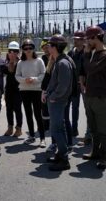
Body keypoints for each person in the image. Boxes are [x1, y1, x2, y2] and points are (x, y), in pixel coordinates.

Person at [81, 26, 106, 170]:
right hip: (89, 96)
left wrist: (87, 54)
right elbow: (86, 70)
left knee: (103, 129)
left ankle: (104, 157)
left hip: (100, 97)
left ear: (96, 38)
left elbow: (91, 69)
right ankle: (95, 152)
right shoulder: (94, 54)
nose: (87, 42)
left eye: (89, 38)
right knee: (93, 127)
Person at [44, 35, 74, 171]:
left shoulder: (62, 63)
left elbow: (63, 86)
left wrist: (53, 97)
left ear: (55, 47)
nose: (47, 47)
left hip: (57, 101)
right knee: (58, 128)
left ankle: (64, 159)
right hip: (56, 100)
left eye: (49, 45)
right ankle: (61, 154)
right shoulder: (59, 60)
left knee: (56, 130)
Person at [15, 39, 46, 148]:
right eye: (25, 48)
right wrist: (24, 80)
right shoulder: (20, 62)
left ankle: (42, 138)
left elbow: (43, 74)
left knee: (38, 114)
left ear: (33, 49)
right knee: (28, 113)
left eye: (30, 48)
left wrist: (35, 79)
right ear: (22, 50)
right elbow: (17, 76)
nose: (28, 50)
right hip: (24, 90)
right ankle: (31, 135)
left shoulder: (39, 61)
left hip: (36, 90)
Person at [2, 41, 23, 137]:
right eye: (11, 51)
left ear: (18, 52)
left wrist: (14, 61)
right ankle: (10, 127)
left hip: (18, 89)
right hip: (9, 89)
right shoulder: (5, 62)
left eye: (15, 51)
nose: (13, 53)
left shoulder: (22, 62)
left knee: (18, 109)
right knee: (9, 109)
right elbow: (9, 70)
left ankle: (18, 128)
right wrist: (11, 61)